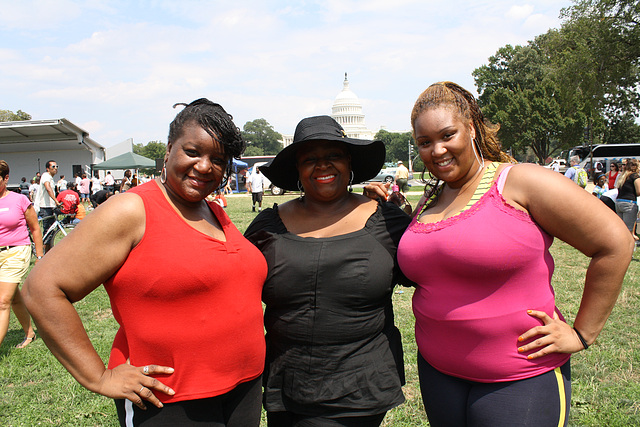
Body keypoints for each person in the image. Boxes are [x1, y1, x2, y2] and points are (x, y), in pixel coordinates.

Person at [365, 82, 633, 426]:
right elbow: (441, 256)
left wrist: (583, 333)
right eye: (425, 142)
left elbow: (616, 243)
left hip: (520, 378)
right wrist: (392, 211)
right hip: (438, 374)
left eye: (448, 135)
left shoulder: (521, 182)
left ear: (472, 129)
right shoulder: (432, 198)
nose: (437, 150)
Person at [23, 98, 267, 426]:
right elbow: (41, 289)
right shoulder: (133, 209)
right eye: (193, 152)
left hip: (243, 388)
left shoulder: (213, 211)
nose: (206, 166)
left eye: (218, 159)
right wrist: (98, 377)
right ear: (169, 151)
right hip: (169, 399)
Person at [245, 116, 411, 426]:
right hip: (287, 385)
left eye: (333, 156)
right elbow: (228, 286)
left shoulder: (386, 222)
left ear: (349, 163)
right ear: (297, 169)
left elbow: (438, 271)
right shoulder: (267, 227)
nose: (323, 165)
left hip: (358, 386)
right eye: (310, 159)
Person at [0, 160, 44, 349]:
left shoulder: (20, 200)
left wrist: (40, 257)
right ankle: (29, 333)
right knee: (13, 297)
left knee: (3, 301)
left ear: (6, 178)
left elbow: (35, 229)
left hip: (16, 251)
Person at [34, 160, 62, 252]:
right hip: (45, 207)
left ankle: (49, 253)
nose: (55, 168)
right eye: (53, 167)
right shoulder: (46, 176)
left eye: (56, 166)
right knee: (48, 231)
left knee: (51, 232)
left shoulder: (50, 177)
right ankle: (42, 254)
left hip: (50, 207)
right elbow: (47, 187)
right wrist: (56, 201)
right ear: (48, 168)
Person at [614, 158, 639, 243]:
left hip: (618, 203)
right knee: (629, 230)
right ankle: (627, 253)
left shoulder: (622, 176)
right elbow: (639, 191)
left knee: (621, 229)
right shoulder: (635, 176)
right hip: (629, 203)